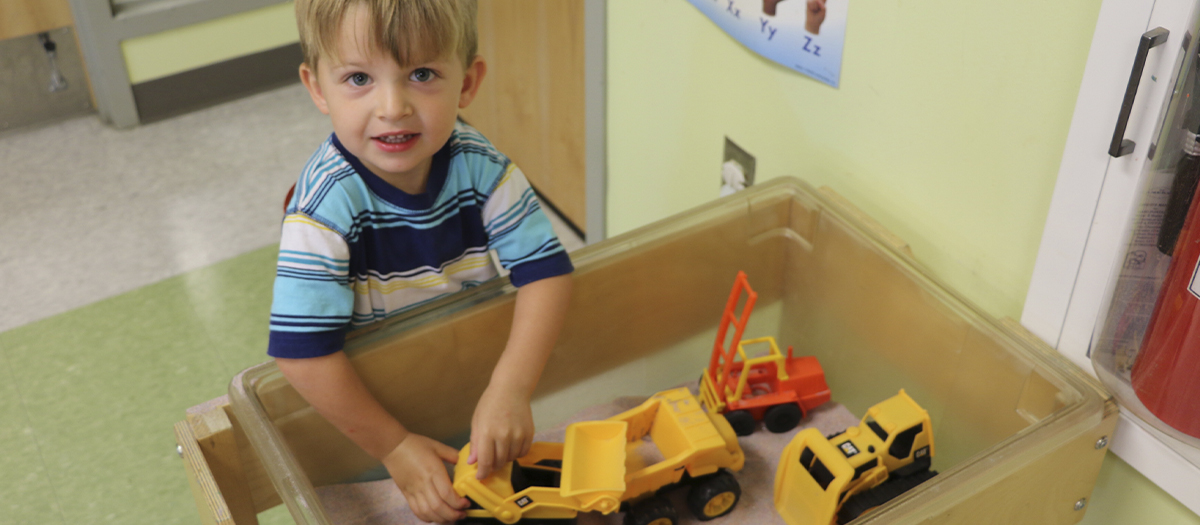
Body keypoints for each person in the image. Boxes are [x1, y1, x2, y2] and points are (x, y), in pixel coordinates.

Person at [269, 0, 574, 522]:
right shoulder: (322, 211)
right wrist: (392, 448)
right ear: (318, 88)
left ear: (468, 82)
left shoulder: (482, 166)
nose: (393, 106)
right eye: (359, 77)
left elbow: (546, 274)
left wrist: (510, 388)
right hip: (364, 420)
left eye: (422, 74)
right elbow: (302, 355)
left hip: (464, 388)